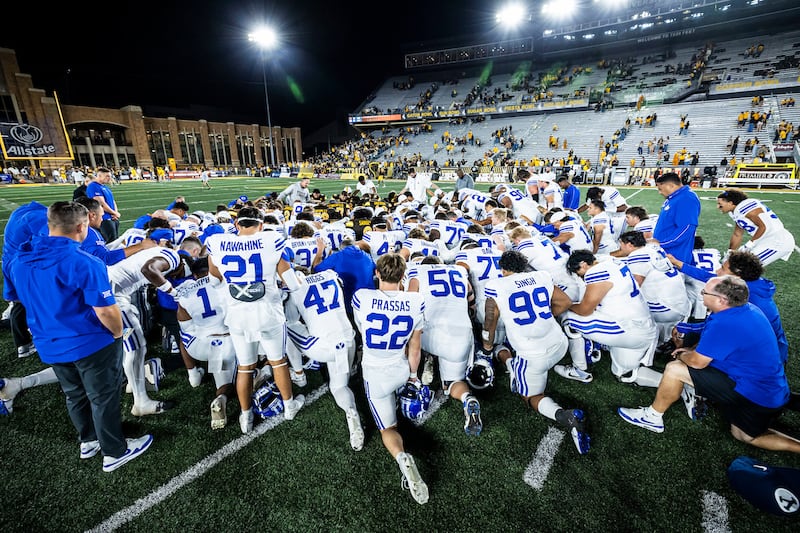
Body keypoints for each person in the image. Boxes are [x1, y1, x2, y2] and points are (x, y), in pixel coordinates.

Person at [6, 201, 152, 472]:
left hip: (47, 341)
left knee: (74, 394)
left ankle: (88, 440)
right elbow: (105, 310)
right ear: (81, 226)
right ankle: (114, 451)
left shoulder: (19, 260)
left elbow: (16, 298)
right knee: (103, 396)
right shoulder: (84, 262)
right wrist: (117, 334)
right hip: (89, 340)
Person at [618, 276, 800, 454]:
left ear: (721, 300)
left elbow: (697, 362)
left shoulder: (725, 323)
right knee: (738, 432)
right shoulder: (746, 309)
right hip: (765, 386)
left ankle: (652, 417)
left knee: (675, 369)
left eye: (705, 292)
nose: (701, 294)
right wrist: (690, 346)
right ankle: (693, 390)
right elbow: (710, 335)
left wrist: (682, 354)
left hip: (758, 397)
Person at [204, 206, 305, 434]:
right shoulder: (271, 241)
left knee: (245, 366)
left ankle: (246, 416)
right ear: (261, 224)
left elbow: (214, 281)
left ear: (237, 224)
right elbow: (292, 282)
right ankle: (289, 407)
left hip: (238, 315)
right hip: (267, 313)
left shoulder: (217, 243)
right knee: (278, 361)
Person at [482, 250, 590, 454]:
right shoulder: (540, 276)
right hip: (559, 344)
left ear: (503, 269)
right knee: (526, 363)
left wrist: (487, 347)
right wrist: (544, 317)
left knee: (529, 397)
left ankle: (565, 416)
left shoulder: (496, 285)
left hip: (533, 356)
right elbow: (565, 302)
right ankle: (515, 366)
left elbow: (490, 321)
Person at [351, 253, 429, 504]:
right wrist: (413, 377)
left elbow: (362, 328)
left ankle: (402, 457)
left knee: (389, 428)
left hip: (376, 372)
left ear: (377, 273)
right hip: (401, 368)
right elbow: (414, 347)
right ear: (403, 276)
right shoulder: (416, 300)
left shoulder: (362, 297)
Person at [283, 266, 365, 450]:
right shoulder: (330, 275)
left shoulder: (296, 287)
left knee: (285, 325)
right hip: (348, 341)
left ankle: (299, 374)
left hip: (323, 348)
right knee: (339, 387)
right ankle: (350, 411)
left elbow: (292, 319)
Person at [555, 249, 661, 388]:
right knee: (625, 374)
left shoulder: (595, 272)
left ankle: (578, 369)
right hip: (645, 328)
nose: (581, 277)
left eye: (579, 273)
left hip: (628, 329)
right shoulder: (609, 261)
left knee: (567, 317)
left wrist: (568, 305)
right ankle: (680, 384)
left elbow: (585, 310)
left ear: (583, 264)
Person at [668, 249, 788, 366]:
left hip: (760, 358)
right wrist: (678, 263)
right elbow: (708, 277)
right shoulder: (746, 285)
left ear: (737, 276)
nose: (717, 271)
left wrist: (689, 332)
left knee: (694, 351)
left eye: (722, 269)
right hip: (764, 347)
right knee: (694, 338)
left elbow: (722, 327)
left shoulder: (744, 298)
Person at [405, 256, 482, 435]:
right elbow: (471, 301)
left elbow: (409, 307)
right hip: (461, 334)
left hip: (430, 336)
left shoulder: (417, 272)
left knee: (413, 331)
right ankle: (467, 398)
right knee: (453, 383)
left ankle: (422, 367)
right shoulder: (458, 272)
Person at [173, 256, 236, 430]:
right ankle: (221, 397)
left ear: (195, 275)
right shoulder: (225, 284)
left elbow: (185, 326)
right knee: (229, 381)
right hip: (229, 342)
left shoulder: (185, 292)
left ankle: (193, 376)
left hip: (203, 347)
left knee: (184, 335)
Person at [2, 201, 48, 359]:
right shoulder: (40, 218)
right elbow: (48, 241)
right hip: (23, 265)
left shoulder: (21, 213)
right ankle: (26, 342)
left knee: (18, 302)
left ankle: (23, 342)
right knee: (28, 302)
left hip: (11, 261)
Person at [716, 188, 795, 266]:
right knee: (735, 265)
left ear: (730, 203)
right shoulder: (735, 211)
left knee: (742, 267)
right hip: (764, 240)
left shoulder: (744, 207)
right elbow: (737, 234)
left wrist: (749, 245)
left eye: (720, 204)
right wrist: (730, 252)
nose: (718, 207)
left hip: (777, 241)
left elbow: (764, 226)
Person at [652, 172, 700, 265]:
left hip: (675, 255)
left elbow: (687, 228)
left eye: (660, 189)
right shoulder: (674, 198)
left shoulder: (686, 198)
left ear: (671, 185)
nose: (660, 192)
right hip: (665, 252)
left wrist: (663, 244)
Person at [86, 167, 121, 242]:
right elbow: (101, 203)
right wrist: (114, 213)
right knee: (110, 242)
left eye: (110, 176)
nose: (109, 178)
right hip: (104, 218)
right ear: (99, 176)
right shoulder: (93, 186)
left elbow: (112, 201)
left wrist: (115, 213)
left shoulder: (104, 187)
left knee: (115, 241)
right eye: (107, 176)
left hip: (112, 217)